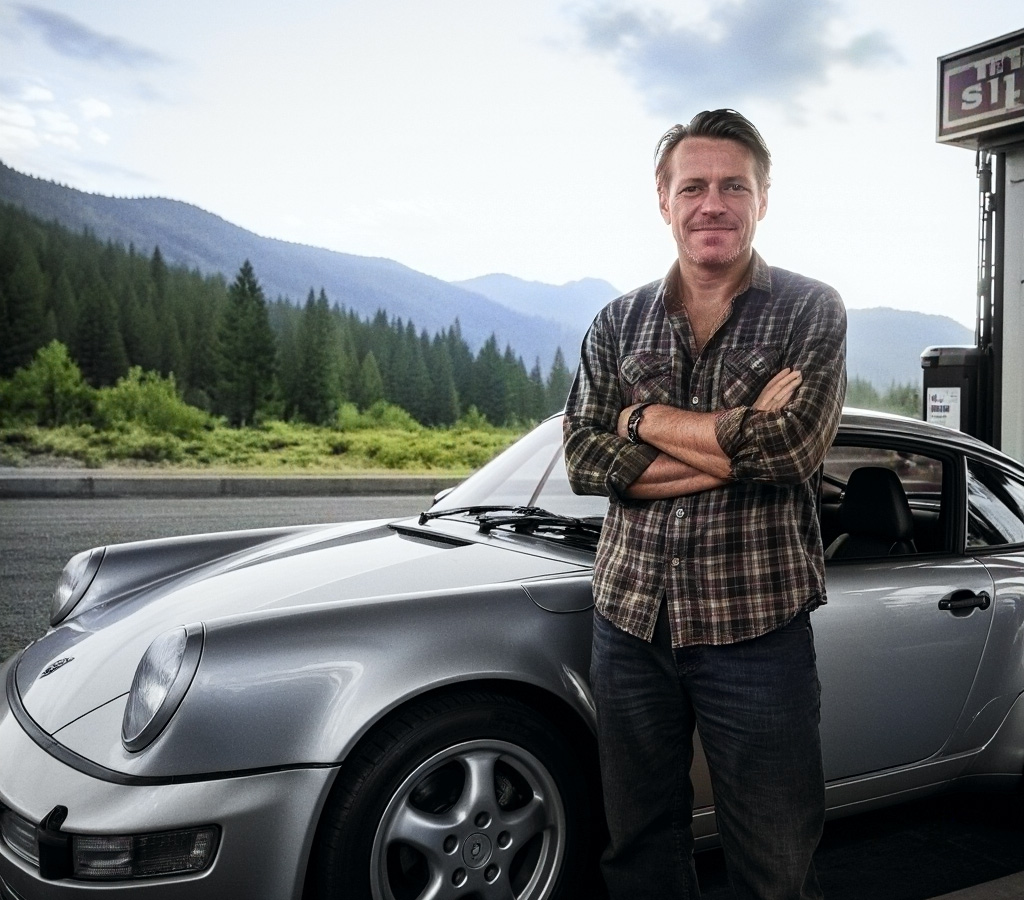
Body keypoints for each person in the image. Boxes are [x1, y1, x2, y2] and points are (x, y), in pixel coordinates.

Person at [562, 109, 847, 900]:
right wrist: (739, 437)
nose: (711, 204)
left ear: (763, 199)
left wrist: (640, 419)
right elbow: (583, 458)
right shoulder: (617, 322)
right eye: (693, 187)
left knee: (775, 856)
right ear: (664, 200)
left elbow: (792, 451)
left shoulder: (809, 310)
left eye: (733, 186)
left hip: (757, 627)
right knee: (639, 845)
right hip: (629, 622)